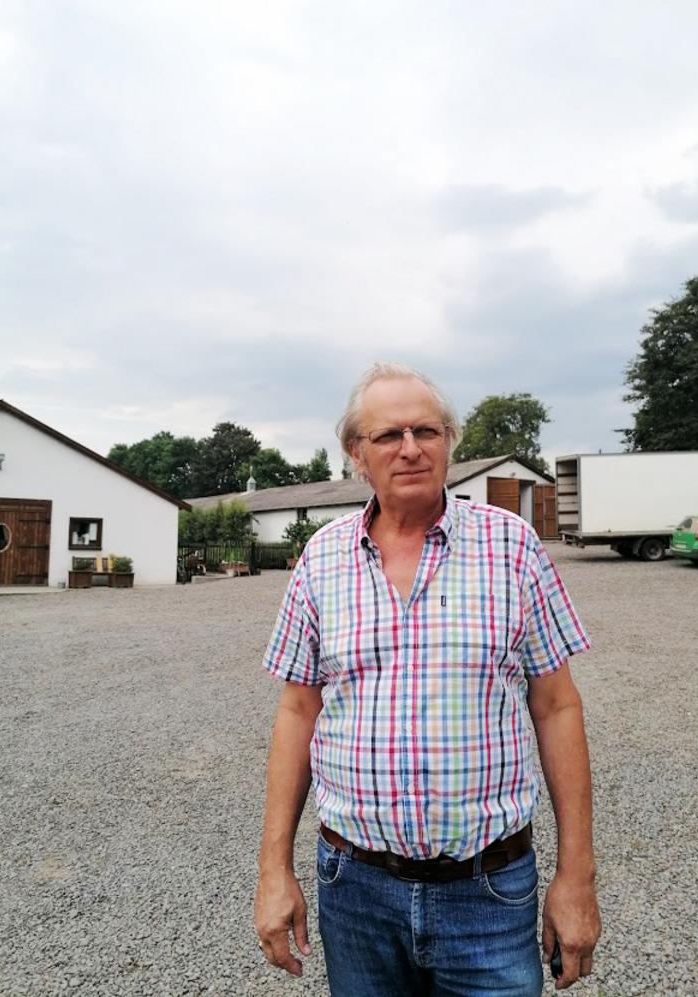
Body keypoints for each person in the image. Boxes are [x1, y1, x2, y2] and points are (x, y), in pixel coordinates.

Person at [254, 362, 601, 996]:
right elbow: (297, 711)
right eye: (388, 435)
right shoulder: (320, 560)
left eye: (427, 431)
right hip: (354, 890)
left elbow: (556, 707)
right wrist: (273, 868)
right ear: (357, 454)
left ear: (449, 442)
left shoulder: (513, 548)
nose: (410, 448)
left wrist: (576, 876)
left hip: (489, 891)